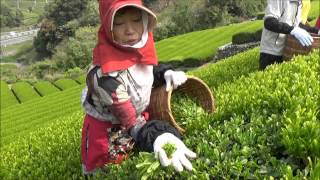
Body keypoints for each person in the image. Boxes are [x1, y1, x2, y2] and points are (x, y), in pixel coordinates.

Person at [80, 0, 196, 175]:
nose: (130, 30)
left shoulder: (135, 49)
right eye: (119, 23)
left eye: (136, 20)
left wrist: (165, 73)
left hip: (137, 121)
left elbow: (145, 68)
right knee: (115, 172)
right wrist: (159, 135)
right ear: (108, 27)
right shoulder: (105, 75)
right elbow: (130, 120)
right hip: (111, 132)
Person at [259, 0, 320, 70]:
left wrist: (317, 31)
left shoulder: (299, 2)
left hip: (285, 50)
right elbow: (269, 22)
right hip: (270, 52)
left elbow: (298, 24)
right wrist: (292, 30)